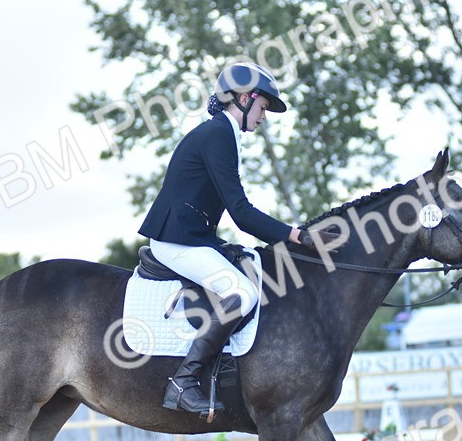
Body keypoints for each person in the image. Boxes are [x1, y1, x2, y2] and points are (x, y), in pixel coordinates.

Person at [138, 62, 328, 416]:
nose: (264, 116)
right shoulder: (217, 135)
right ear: (244, 98)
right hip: (176, 241)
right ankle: (184, 380)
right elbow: (240, 213)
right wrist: (296, 236)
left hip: (193, 236)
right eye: (263, 107)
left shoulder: (223, 134)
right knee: (241, 293)